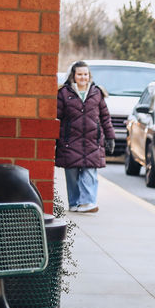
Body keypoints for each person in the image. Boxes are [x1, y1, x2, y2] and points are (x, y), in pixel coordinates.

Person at [56, 61, 114, 213]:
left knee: (89, 172)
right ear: (73, 76)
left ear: (89, 76)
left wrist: (110, 137)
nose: (83, 77)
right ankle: (74, 203)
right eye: (79, 74)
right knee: (72, 174)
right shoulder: (63, 93)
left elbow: (105, 117)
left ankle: (88, 203)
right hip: (70, 140)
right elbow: (56, 117)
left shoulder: (97, 93)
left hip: (92, 140)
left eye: (85, 74)